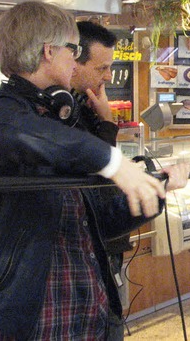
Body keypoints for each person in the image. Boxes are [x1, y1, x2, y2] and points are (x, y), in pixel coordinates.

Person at [0, 2, 188, 340]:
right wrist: (113, 162)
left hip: (84, 304)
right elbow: (19, 132)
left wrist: (156, 186)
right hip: (31, 311)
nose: (75, 57)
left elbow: (99, 218)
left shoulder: (59, 117)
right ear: (49, 51)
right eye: (73, 49)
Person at [70, 20, 132, 296]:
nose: (108, 76)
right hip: (88, 241)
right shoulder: (64, 113)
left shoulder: (84, 104)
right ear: (73, 62)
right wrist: (107, 123)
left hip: (105, 238)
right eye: (101, 68)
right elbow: (96, 171)